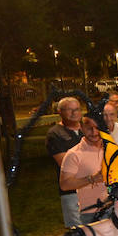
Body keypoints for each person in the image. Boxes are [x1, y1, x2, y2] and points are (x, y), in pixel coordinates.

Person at [59, 118, 109, 222]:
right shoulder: (74, 154)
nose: (94, 132)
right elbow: (65, 184)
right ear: (81, 127)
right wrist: (92, 179)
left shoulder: (111, 149)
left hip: (116, 209)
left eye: (97, 128)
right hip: (91, 214)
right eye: (89, 128)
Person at [47, 96, 85, 227]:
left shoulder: (87, 129)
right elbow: (65, 164)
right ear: (60, 112)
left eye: (77, 109)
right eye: (70, 110)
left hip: (95, 190)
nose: (74, 113)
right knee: (80, 233)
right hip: (72, 193)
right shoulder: (55, 134)